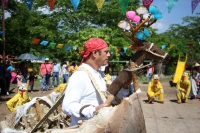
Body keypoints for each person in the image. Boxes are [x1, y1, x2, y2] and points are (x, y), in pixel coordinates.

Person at [62, 38, 111, 126]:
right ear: (95, 53)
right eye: (106, 52)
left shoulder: (100, 74)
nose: (109, 55)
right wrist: (93, 110)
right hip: (83, 128)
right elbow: (67, 106)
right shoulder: (80, 76)